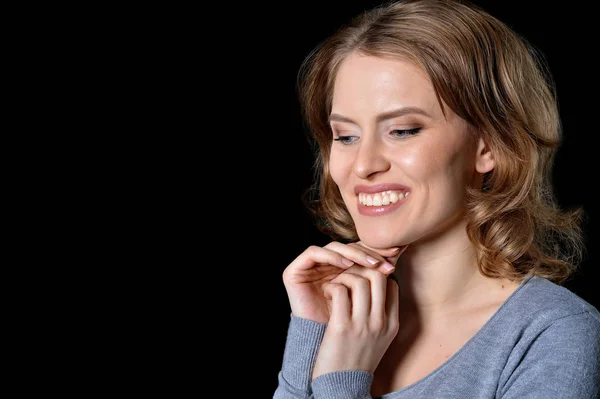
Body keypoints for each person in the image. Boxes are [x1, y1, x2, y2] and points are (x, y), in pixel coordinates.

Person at [273, 0, 600, 398]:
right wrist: (311, 332)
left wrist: (342, 383)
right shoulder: (335, 318)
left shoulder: (550, 332)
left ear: (491, 144)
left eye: (403, 130)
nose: (363, 165)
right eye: (345, 136)